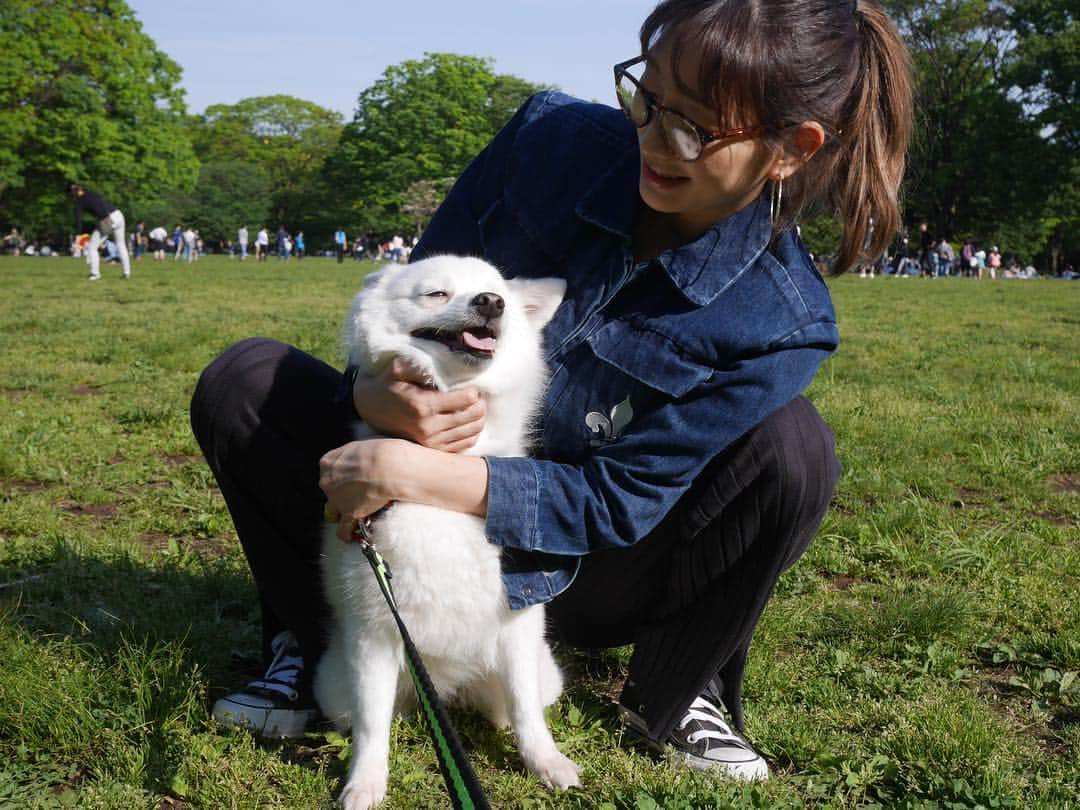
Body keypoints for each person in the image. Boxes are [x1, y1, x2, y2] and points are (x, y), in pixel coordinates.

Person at [192, 0, 912, 781]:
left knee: (794, 448)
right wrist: (371, 396)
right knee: (245, 380)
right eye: (647, 97)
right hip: (401, 535)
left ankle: (681, 688)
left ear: (790, 149)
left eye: (694, 128)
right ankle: (309, 642)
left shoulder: (782, 318)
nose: (654, 140)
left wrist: (429, 473)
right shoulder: (547, 141)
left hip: (582, 567)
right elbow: (407, 303)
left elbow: (617, 501)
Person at [67, 182, 131, 280]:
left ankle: (95, 273)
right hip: (118, 214)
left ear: (72, 193)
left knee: (92, 247)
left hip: (107, 219)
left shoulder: (79, 202)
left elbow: (78, 221)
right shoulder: (92, 193)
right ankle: (126, 273)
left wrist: (78, 238)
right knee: (121, 244)